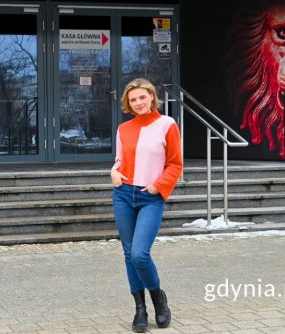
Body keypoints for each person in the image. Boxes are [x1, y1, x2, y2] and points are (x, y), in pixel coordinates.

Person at [111, 78, 183, 332]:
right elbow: (119, 160)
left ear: (152, 97)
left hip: (150, 197)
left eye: (143, 97)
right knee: (129, 254)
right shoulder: (123, 129)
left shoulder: (167, 124)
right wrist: (114, 172)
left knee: (140, 253)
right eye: (133, 99)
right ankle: (140, 309)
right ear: (127, 104)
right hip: (123, 195)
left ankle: (158, 299)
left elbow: (175, 164)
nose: (138, 102)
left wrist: (157, 186)